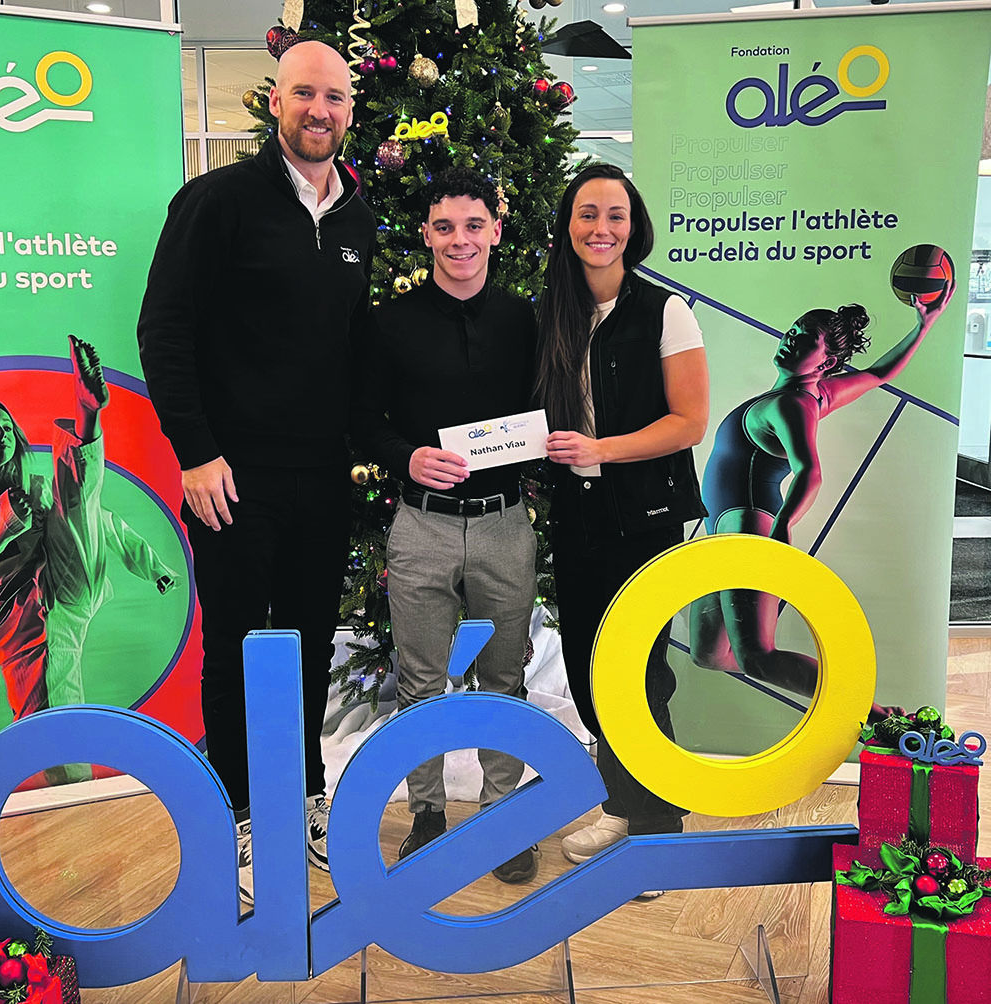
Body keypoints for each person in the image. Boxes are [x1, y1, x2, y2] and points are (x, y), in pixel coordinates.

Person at [137, 39, 376, 906]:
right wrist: (195, 452)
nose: (321, 111)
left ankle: (306, 793)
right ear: (276, 100)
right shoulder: (217, 201)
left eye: (336, 98)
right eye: (306, 94)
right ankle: (237, 809)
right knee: (234, 640)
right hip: (229, 476)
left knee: (311, 636)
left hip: (320, 477)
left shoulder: (359, 217)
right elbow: (164, 330)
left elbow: (351, 349)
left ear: (352, 109)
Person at [353, 167, 539, 883]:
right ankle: (426, 814)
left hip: (504, 524)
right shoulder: (388, 323)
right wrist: (406, 456)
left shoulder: (525, 320)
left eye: (473, 225)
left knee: (504, 678)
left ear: (495, 229)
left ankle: (500, 817)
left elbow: (551, 407)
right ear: (425, 234)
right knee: (419, 680)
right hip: (422, 524)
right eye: (444, 227)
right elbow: (363, 421)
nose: (459, 241)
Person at [533, 164, 709, 883]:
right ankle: (622, 804)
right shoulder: (553, 311)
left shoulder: (665, 311)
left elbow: (689, 421)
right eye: (586, 214)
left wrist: (602, 450)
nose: (601, 228)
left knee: (641, 669)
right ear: (567, 227)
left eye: (615, 215)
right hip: (577, 517)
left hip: (646, 518)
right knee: (587, 669)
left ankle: (657, 831)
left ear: (633, 226)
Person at [690, 287, 952, 704]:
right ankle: (842, 696)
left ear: (826, 361)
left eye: (804, 338)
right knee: (707, 653)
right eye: (793, 330)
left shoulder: (793, 404)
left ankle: (872, 712)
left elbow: (809, 473)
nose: (790, 338)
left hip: (748, 530)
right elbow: (878, 373)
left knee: (757, 657)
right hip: (726, 534)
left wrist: (780, 529)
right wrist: (924, 326)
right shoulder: (816, 394)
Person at [0, 336, 178, 726]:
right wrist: (6, 519)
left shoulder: (33, 490)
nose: (3, 433)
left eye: (6, 425)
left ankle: (88, 412)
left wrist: (155, 568)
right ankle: (58, 782)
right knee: (48, 718)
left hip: (65, 587)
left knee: (76, 505)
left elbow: (99, 521)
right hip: (14, 618)